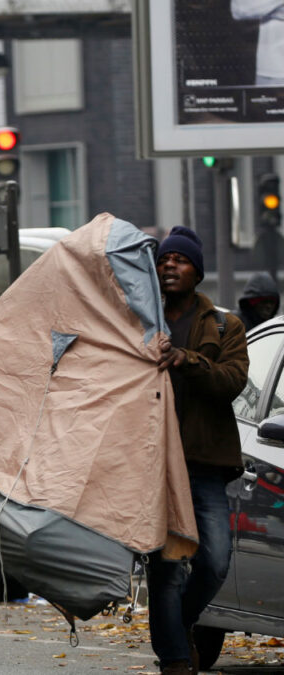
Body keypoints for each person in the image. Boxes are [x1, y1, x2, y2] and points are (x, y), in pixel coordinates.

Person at [151, 226, 249, 675]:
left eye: (180, 259)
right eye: (164, 258)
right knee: (167, 568)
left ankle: (180, 625)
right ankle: (174, 658)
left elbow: (232, 381)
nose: (169, 264)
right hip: (152, 466)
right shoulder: (139, 321)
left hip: (205, 465)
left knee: (213, 562)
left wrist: (186, 360)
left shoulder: (225, 325)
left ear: (197, 273)